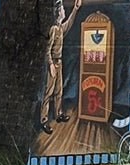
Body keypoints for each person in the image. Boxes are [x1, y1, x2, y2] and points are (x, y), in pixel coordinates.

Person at [41, 0, 83, 135]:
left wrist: (75, 10)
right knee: (48, 93)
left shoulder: (59, 28)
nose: (64, 11)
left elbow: (68, 25)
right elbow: (47, 49)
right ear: (58, 12)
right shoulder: (53, 29)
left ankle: (58, 113)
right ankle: (43, 120)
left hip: (59, 62)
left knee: (58, 90)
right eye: (63, 10)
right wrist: (51, 65)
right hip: (53, 62)